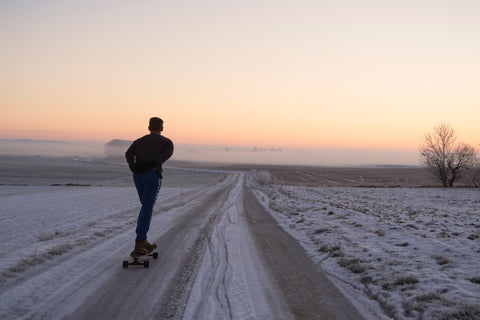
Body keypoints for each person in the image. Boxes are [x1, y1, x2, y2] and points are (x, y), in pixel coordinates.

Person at [125, 117, 174, 257]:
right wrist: (155, 163)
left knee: (145, 207)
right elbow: (165, 156)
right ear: (162, 128)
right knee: (147, 208)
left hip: (138, 176)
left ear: (149, 127)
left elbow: (128, 153)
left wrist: (133, 166)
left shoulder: (138, 141)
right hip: (152, 175)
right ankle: (140, 241)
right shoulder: (167, 142)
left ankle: (142, 239)